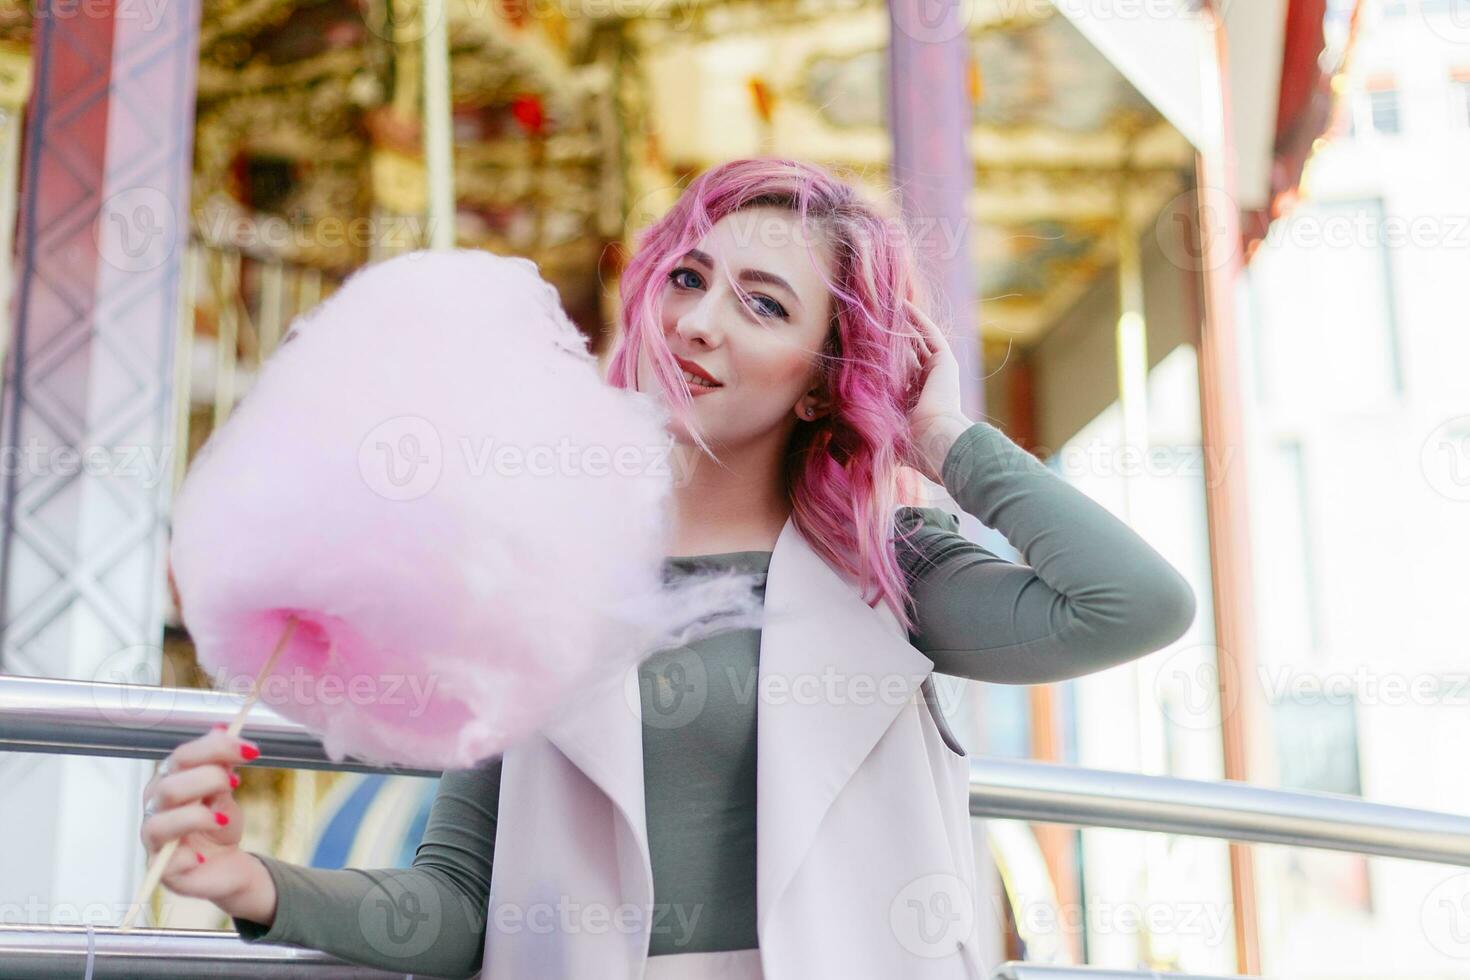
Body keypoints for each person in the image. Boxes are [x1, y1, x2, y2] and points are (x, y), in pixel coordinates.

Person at [139, 158, 1196, 980]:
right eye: (689, 278)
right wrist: (255, 882)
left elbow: (1134, 603)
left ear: (825, 384)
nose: (696, 322)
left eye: (763, 304)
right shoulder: (530, 571)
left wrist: (941, 434)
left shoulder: (893, 573)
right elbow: (461, 907)